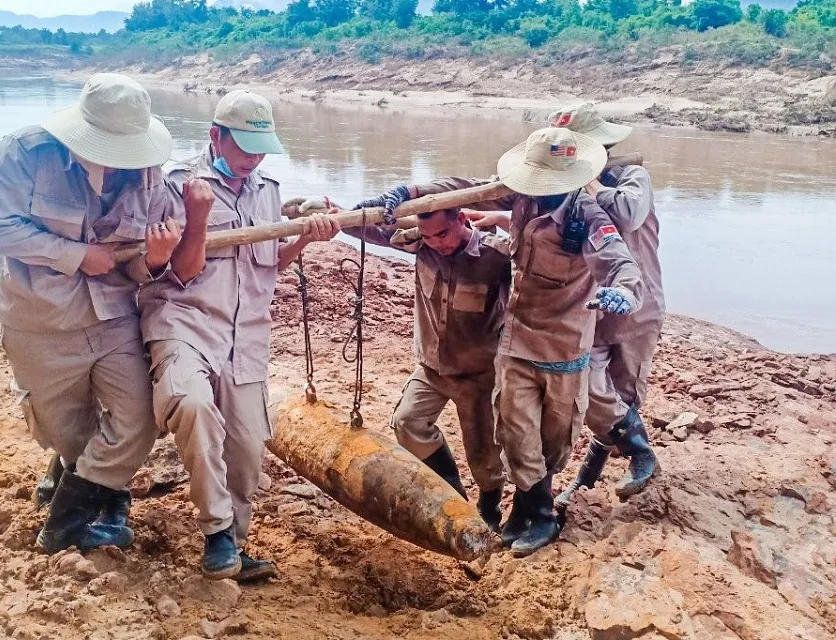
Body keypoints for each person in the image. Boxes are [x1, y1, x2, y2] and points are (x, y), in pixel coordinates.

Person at [355, 127, 643, 557]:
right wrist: (410, 190)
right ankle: (538, 516)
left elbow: (619, 262)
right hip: (516, 345)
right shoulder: (520, 196)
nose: (535, 192)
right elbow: (462, 190)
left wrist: (623, 292)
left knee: (554, 440)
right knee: (515, 434)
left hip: (563, 347)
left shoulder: (588, 219)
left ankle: (526, 510)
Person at [0, 73, 180, 553]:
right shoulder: (23, 154)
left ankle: (64, 522)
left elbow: (154, 256)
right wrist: (74, 254)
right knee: (67, 432)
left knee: (139, 418)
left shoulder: (150, 172)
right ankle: (97, 487)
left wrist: (155, 258)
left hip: (114, 317)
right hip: (41, 320)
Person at [139, 90, 340, 581]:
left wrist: (304, 238)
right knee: (191, 405)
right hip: (185, 323)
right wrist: (200, 220)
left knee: (248, 451)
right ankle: (217, 535)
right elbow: (181, 274)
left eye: (261, 147)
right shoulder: (178, 187)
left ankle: (235, 539)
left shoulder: (266, 188)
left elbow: (267, 268)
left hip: (246, 335)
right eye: (246, 146)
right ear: (215, 136)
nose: (254, 158)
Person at [295, 200, 511, 529]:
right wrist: (334, 213)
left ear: (462, 219)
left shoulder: (496, 257)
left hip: (478, 373)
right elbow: (370, 229)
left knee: (483, 452)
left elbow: (538, 273)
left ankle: (490, 508)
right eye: (428, 236)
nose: (437, 243)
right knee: (407, 422)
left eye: (442, 233)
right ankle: (452, 493)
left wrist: (505, 219)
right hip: (431, 368)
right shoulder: (418, 242)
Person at [547, 103, 664, 503]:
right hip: (591, 303)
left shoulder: (633, 176)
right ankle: (638, 452)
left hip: (637, 303)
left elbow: (628, 216)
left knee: (626, 393)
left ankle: (597, 475)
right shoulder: (564, 188)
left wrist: (592, 182)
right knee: (592, 386)